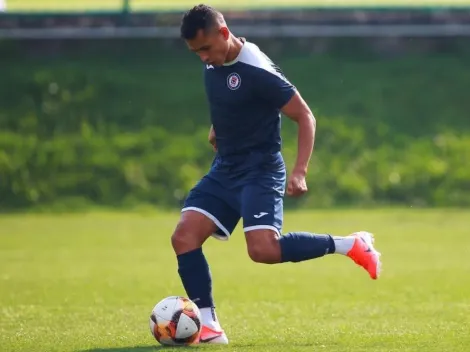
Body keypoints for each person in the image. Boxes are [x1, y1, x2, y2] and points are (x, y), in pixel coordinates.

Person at [172, 4, 381, 345]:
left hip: (261, 169)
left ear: (224, 34)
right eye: (195, 52)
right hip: (226, 167)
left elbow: (305, 116)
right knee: (183, 237)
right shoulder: (214, 61)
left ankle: (351, 244)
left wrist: (299, 171)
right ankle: (209, 326)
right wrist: (217, 128)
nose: (203, 59)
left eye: (206, 49)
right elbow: (231, 98)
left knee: (263, 250)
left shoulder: (256, 69)